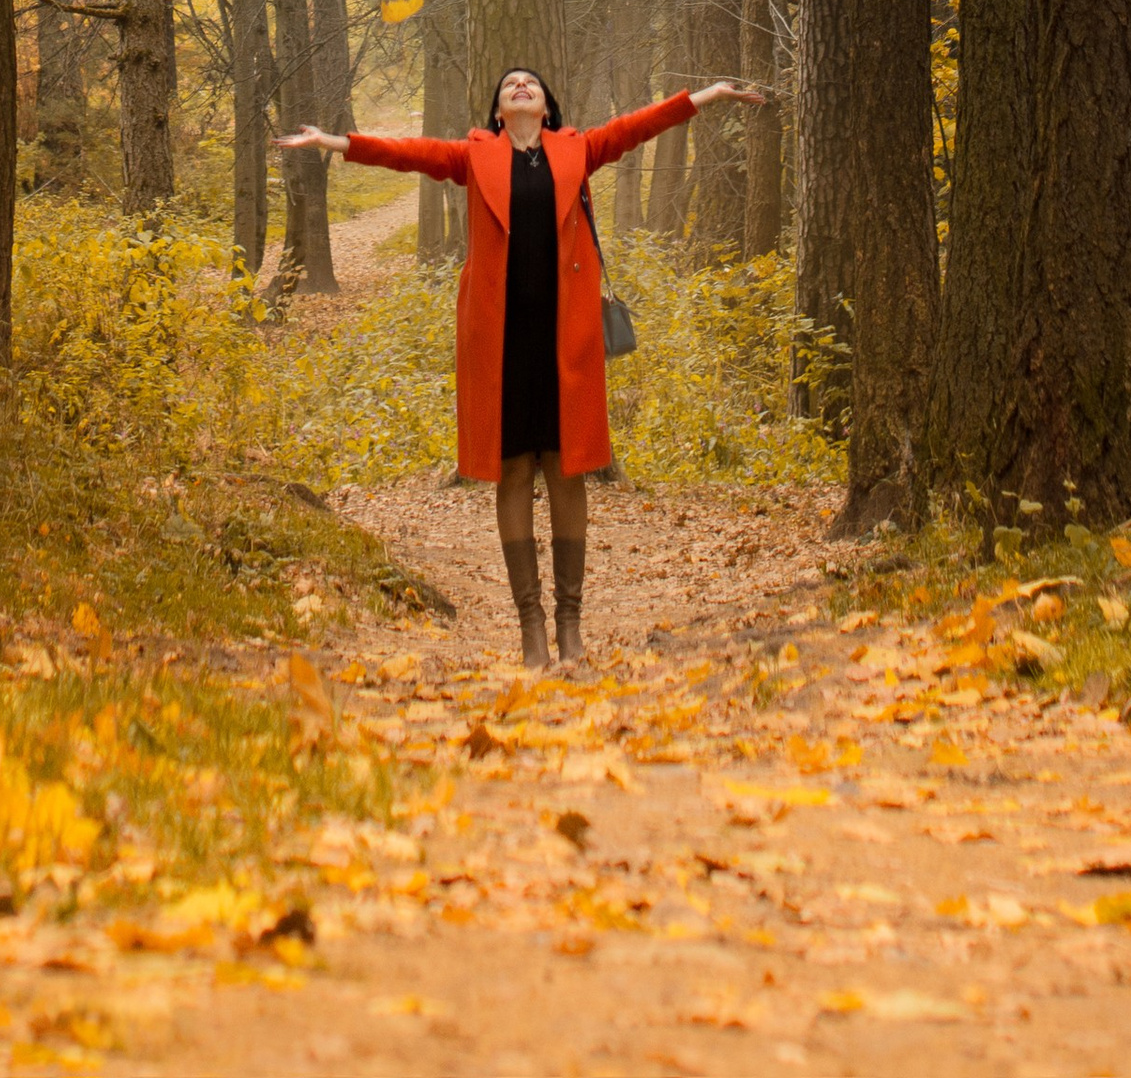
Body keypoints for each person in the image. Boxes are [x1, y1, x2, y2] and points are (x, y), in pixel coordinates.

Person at [278, 66, 768, 664]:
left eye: (529, 83)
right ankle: (530, 626)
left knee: (567, 469)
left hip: (566, 336)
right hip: (500, 340)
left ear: (545, 104)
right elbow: (409, 154)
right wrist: (337, 143)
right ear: (498, 110)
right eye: (509, 84)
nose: (519, 86)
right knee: (511, 470)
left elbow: (639, 126)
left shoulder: (577, 149)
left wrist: (708, 95)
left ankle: (569, 625)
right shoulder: (473, 155)